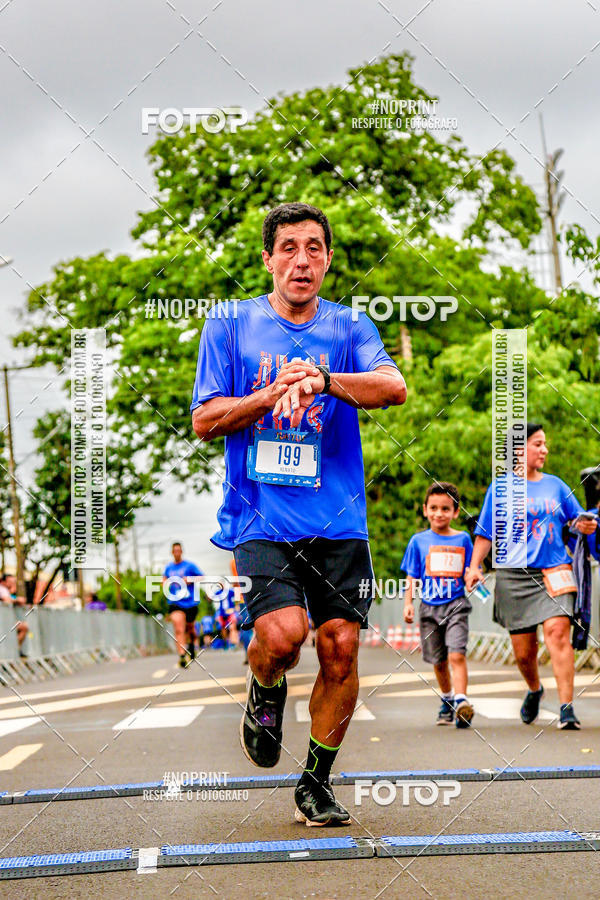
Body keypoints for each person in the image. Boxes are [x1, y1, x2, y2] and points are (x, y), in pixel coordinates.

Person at [191, 201, 407, 826]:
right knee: (283, 638)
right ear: (268, 259)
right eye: (289, 247)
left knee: (340, 648)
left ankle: (315, 781)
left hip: (340, 520)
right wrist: (271, 394)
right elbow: (205, 420)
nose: (302, 260)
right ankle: (265, 683)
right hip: (261, 515)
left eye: (314, 247)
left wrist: (323, 380)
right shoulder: (229, 326)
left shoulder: (349, 327)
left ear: (329, 260)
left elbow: (392, 388)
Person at [466, 424, 597, 730]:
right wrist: (474, 566)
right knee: (524, 652)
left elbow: (576, 520)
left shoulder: (556, 486)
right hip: (513, 576)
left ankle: (567, 708)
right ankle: (535, 689)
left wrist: (585, 526)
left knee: (557, 633)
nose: (544, 450)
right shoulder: (499, 489)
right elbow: (485, 533)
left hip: (555, 569)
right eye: (538, 444)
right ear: (519, 449)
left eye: (545, 444)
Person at [402, 483, 475, 728]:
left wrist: (473, 577)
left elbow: (471, 569)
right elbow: (412, 575)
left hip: (456, 605)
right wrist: (408, 603)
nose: (439, 513)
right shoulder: (418, 541)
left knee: (457, 654)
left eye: (445, 509)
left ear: (455, 512)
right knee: (439, 660)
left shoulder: (463, 538)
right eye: (433, 508)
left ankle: (462, 702)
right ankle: (447, 699)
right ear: (425, 510)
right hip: (429, 608)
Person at [163, 542, 204, 667]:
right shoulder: (169, 568)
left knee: (190, 628)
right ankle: (182, 656)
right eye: (174, 551)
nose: (176, 553)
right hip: (175, 602)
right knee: (179, 628)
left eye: (178, 550)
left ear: (181, 551)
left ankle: (191, 646)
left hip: (190, 602)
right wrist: (167, 583)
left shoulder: (189, 565)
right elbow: (164, 580)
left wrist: (189, 580)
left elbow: (201, 577)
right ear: (172, 552)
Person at [0, 573, 29, 657]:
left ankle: (13, 649)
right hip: (4, 620)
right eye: (10, 582)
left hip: (5, 619)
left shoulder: (5, 590)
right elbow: (7, 600)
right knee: (23, 627)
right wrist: (17, 600)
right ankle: (13, 649)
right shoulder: (2, 589)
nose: (12, 584)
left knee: (22, 627)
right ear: (4, 582)